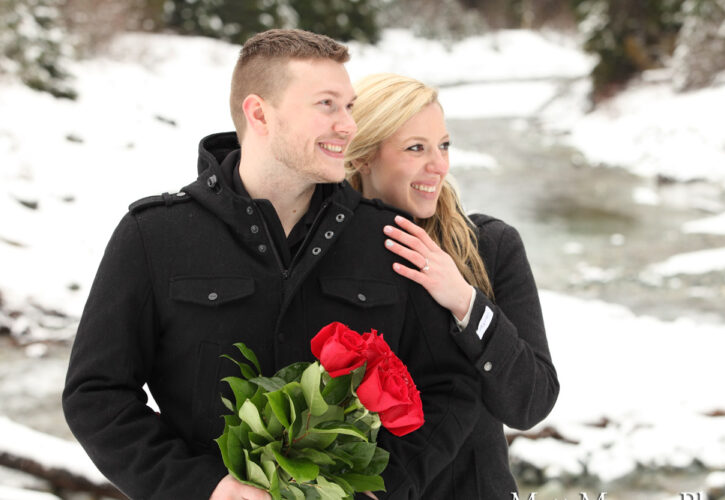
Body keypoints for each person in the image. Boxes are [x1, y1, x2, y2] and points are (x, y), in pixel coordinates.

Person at [62, 31, 481, 500]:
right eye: (327, 105)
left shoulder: (388, 238)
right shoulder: (154, 235)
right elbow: (96, 395)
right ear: (259, 113)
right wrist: (204, 488)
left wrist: (382, 489)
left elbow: (450, 388)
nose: (348, 125)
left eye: (350, 107)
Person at [345, 73, 560, 497]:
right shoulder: (324, 254)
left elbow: (530, 402)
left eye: (443, 145)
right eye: (416, 148)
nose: (439, 165)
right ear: (366, 156)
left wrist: (464, 301)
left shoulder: (491, 246)